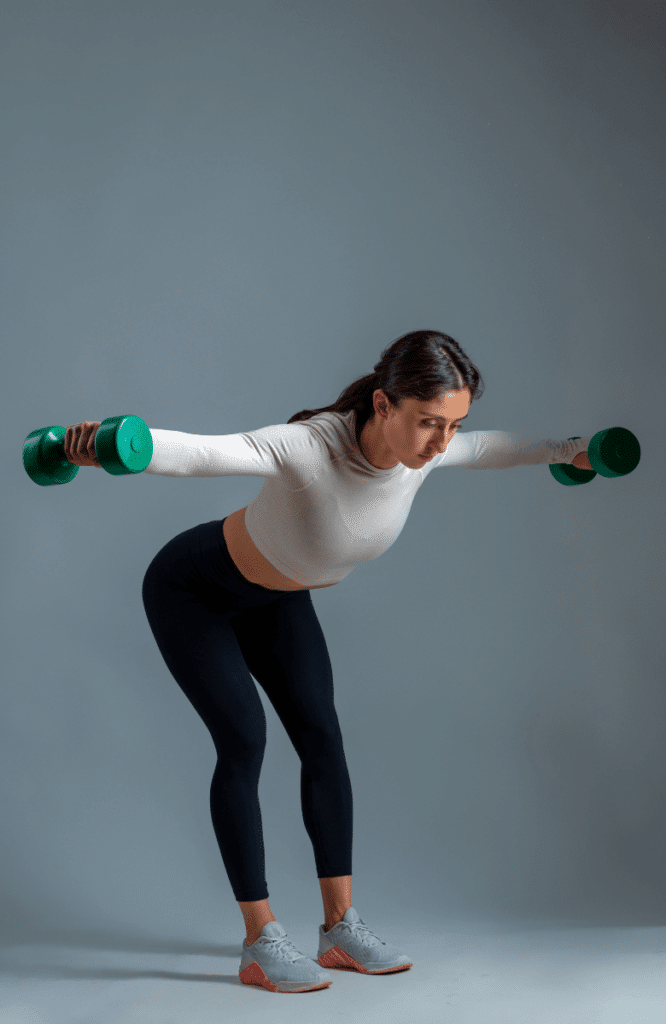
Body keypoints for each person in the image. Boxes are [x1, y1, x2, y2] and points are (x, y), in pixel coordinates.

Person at [64, 329, 592, 993]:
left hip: (278, 598)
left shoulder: (427, 450)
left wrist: (568, 451)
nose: (440, 443)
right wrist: (114, 449)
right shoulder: (311, 446)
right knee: (245, 741)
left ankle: (339, 929)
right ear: (383, 405)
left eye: (453, 425)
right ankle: (260, 941)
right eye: (430, 423)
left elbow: (490, 449)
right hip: (192, 591)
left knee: (323, 738)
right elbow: (205, 453)